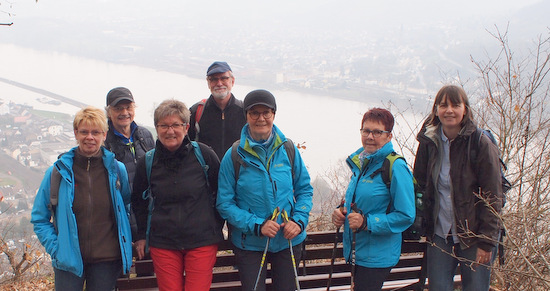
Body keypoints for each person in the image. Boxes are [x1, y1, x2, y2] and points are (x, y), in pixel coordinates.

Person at [217, 89, 313, 291]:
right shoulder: (234, 155)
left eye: (266, 112)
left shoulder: (288, 149)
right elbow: (224, 204)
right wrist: (257, 225)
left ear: (273, 114)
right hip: (250, 244)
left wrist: (299, 221)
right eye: (254, 113)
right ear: (246, 116)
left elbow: (304, 190)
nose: (261, 118)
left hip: (288, 241)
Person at [31, 106, 132, 291]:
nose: (90, 137)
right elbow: (39, 218)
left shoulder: (117, 170)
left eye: (96, 132)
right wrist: (57, 248)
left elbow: (125, 207)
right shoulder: (57, 172)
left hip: (107, 260)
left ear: (105, 134)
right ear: (76, 133)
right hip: (68, 260)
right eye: (84, 132)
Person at [413, 85, 503, 291]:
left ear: (465, 110)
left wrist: (487, 242)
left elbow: (493, 197)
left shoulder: (479, 143)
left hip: (474, 236)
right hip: (440, 234)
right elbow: (420, 185)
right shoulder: (429, 142)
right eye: (443, 105)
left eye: (455, 105)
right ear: (436, 110)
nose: (449, 110)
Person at [131, 99, 223, 291]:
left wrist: (215, 225)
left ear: (186, 127)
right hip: (163, 242)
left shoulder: (204, 155)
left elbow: (221, 192)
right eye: (163, 125)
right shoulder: (147, 162)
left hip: (201, 240)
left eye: (175, 125)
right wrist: (141, 235)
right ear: (156, 128)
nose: (169, 131)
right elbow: (138, 202)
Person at [332, 108, 416, 291]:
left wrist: (367, 223)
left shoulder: (396, 167)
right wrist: (341, 210)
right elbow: (359, 201)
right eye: (366, 130)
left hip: (377, 257)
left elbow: (406, 215)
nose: (370, 136)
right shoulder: (362, 163)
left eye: (377, 132)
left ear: (389, 136)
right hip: (358, 253)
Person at [188, 61, 246, 159]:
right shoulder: (196, 112)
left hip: (236, 172)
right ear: (208, 83)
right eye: (214, 79)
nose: (219, 83)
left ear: (232, 81)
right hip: (206, 172)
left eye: (224, 78)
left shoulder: (244, 111)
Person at [104, 86, 155, 190]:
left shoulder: (145, 135)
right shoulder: (104, 142)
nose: (124, 113)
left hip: (146, 203)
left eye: (128, 107)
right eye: (118, 109)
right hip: (121, 204)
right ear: (109, 113)